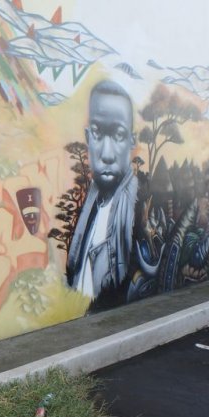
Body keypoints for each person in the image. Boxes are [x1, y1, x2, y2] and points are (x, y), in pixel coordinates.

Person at [66, 80, 139, 311]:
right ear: (88, 137)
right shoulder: (93, 202)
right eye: (98, 133)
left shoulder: (136, 212)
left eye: (118, 135)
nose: (107, 154)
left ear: (132, 141)